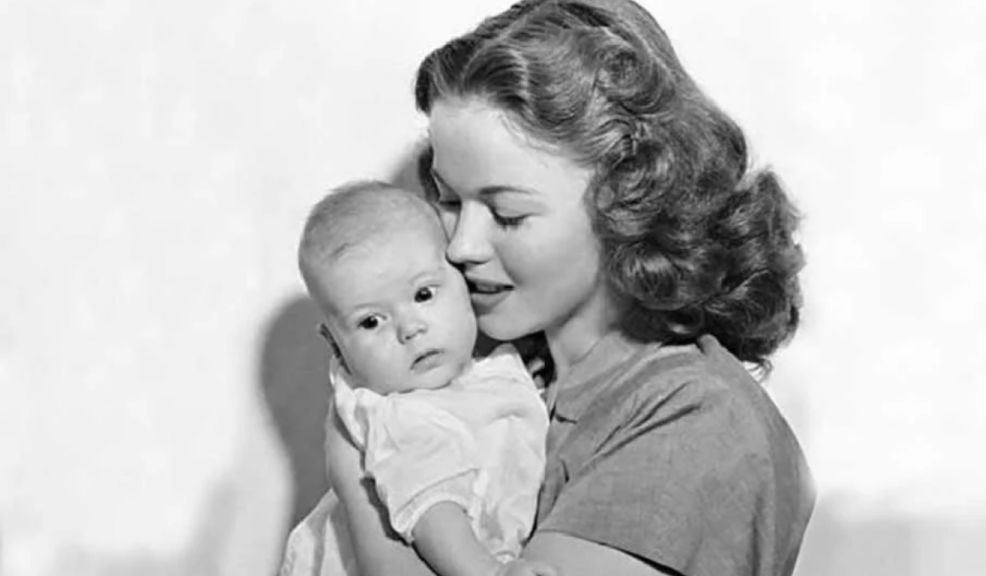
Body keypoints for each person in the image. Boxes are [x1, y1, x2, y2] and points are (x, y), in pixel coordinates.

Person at [320, 0, 816, 575]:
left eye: (506, 214)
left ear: (628, 201)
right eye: (450, 201)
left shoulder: (697, 422)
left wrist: (356, 464)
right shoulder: (498, 372)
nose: (461, 246)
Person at [280, 181, 554, 576]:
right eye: (371, 321)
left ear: (463, 280)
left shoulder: (483, 370)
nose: (409, 329)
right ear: (335, 344)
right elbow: (433, 513)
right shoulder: (402, 415)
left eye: (424, 295)